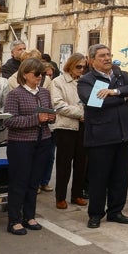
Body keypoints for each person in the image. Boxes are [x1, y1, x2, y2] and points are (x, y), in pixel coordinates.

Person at [77, 44, 128, 228]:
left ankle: (115, 211)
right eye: (102, 56)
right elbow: (94, 102)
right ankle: (96, 214)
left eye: (108, 54)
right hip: (101, 136)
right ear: (92, 60)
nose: (107, 58)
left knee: (120, 177)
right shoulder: (86, 80)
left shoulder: (121, 75)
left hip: (123, 134)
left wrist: (115, 92)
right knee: (99, 177)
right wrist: (123, 98)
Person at [2, 58, 55, 236]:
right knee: (19, 181)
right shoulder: (15, 94)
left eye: (42, 74)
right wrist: (35, 119)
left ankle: (29, 216)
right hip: (21, 144)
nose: (40, 77)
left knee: (34, 181)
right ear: (25, 74)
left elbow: (49, 112)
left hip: (43, 140)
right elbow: (9, 120)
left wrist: (51, 117)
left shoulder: (45, 93)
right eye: (37, 74)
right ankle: (14, 220)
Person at [50, 52, 89, 209]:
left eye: (84, 67)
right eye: (78, 66)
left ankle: (77, 194)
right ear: (70, 65)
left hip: (84, 127)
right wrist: (81, 113)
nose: (81, 70)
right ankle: (60, 197)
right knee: (64, 164)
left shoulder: (85, 81)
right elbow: (58, 105)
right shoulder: (58, 82)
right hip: (65, 127)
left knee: (82, 163)